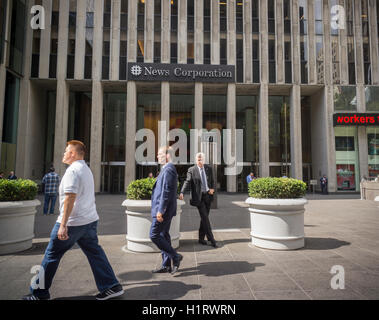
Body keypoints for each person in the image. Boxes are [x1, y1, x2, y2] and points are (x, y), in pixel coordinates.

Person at [22, 140, 124, 300]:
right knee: (95, 253)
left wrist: (63, 225)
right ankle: (112, 286)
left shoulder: (73, 171)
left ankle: (39, 293)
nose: (63, 153)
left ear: (73, 154)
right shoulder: (86, 169)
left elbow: (70, 198)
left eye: (65, 151)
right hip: (89, 221)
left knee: (51, 255)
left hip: (72, 223)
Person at [150, 146, 183, 275]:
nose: (157, 156)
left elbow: (166, 192)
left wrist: (161, 210)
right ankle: (166, 265)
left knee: (154, 235)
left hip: (162, 211)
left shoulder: (169, 169)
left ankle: (175, 256)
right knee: (164, 235)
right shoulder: (166, 169)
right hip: (163, 210)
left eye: (160, 154)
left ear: (168, 155)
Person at [179, 152, 217, 248]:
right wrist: (182, 192)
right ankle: (211, 239)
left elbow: (212, 181)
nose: (200, 161)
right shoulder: (191, 170)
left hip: (208, 196)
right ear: (196, 160)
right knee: (205, 217)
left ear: (204, 160)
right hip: (198, 198)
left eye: (201, 159)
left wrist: (212, 188)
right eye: (198, 159)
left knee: (204, 218)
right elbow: (187, 182)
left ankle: (201, 238)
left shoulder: (209, 168)